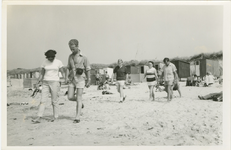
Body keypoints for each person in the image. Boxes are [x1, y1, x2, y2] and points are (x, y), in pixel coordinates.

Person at [32, 50, 65, 123]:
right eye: (49, 58)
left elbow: (62, 71)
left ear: (54, 56)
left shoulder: (58, 62)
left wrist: (65, 79)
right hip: (45, 82)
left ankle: (55, 117)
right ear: (47, 57)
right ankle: (39, 117)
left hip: (55, 82)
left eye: (52, 57)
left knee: (54, 100)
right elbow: (42, 73)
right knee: (43, 100)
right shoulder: (44, 62)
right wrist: (38, 81)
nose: (50, 59)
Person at [65, 39, 91, 123]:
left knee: (79, 98)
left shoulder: (84, 57)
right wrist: (66, 77)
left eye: (73, 48)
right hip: (72, 79)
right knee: (70, 97)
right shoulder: (70, 56)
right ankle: (80, 103)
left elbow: (88, 69)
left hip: (81, 79)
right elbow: (68, 68)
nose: (71, 50)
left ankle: (77, 117)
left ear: (77, 46)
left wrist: (88, 79)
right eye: (70, 48)